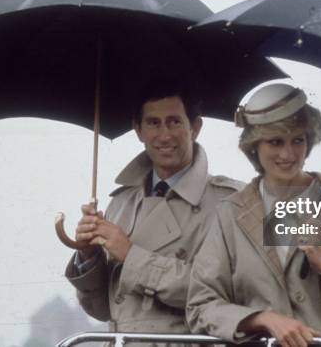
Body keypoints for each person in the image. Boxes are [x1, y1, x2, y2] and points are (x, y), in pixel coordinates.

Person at [186, 83, 321, 347]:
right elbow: (200, 307)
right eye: (275, 141)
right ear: (254, 146)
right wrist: (263, 319)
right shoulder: (229, 214)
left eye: (298, 140)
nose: (288, 154)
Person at [65, 75, 242, 335]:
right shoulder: (121, 202)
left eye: (174, 122)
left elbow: (227, 294)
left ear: (195, 127)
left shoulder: (230, 201)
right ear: (138, 129)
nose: (164, 135)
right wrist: (88, 256)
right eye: (153, 123)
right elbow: (104, 310)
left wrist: (130, 255)